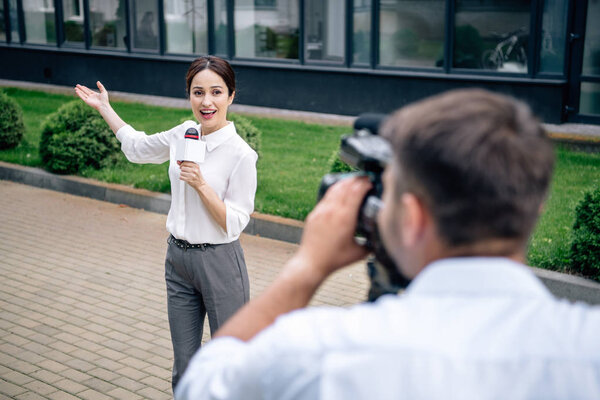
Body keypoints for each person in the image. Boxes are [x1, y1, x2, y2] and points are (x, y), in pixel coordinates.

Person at [175, 89, 600, 399]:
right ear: (535, 207)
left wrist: (306, 268)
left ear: (412, 218)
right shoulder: (586, 347)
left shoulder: (324, 353)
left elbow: (205, 384)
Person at [75, 56, 257, 390]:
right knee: (185, 367)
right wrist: (105, 108)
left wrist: (202, 185)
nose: (206, 102)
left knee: (227, 364)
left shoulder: (241, 154)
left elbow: (234, 224)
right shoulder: (182, 134)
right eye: (197, 92)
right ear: (188, 95)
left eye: (216, 92)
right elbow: (137, 148)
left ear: (231, 96)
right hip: (179, 262)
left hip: (220, 263)